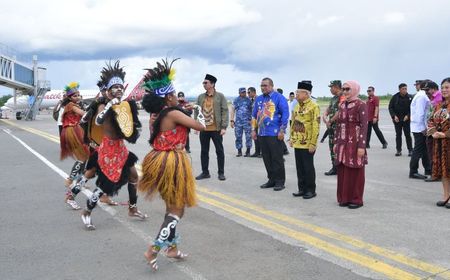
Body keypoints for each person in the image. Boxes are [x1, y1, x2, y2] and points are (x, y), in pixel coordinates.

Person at [138, 58, 206, 271]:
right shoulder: (173, 112)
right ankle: (154, 249)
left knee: (173, 207)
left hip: (160, 159)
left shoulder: (159, 113)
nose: (178, 97)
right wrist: (196, 110)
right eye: (175, 94)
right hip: (171, 161)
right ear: (168, 97)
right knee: (177, 209)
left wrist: (183, 108)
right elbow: (201, 126)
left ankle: (173, 249)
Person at [69, 61, 145, 229]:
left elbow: (129, 128)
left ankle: (132, 208)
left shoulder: (123, 105)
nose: (119, 89)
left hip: (121, 149)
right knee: (103, 184)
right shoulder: (102, 104)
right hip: (107, 149)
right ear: (109, 90)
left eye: (121, 86)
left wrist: (135, 128)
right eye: (115, 87)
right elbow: (97, 120)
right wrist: (110, 105)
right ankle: (86, 212)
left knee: (133, 176)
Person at [334, 81, 368, 209]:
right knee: (343, 171)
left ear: (354, 90)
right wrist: (336, 142)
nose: (345, 91)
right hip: (343, 143)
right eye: (343, 89)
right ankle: (344, 198)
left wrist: (362, 146)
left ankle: (356, 199)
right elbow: (339, 125)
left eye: (348, 89)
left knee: (355, 171)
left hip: (355, 143)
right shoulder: (342, 105)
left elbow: (365, 126)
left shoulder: (361, 105)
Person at [252, 77, 289, 191]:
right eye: (261, 86)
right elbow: (254, 116)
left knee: (277, 158)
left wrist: (282, 130)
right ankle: (271, 179)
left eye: (265, 85)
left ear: (271, 86)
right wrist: (253, 130)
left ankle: (279, 181)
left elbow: (285, 115)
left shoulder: (279, 98)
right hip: (262, 133)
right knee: (266, 158)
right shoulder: (258, 99)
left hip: (275, 133)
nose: (263, 88)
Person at [59, 82, 90, 210]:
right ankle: (71, 179)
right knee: (82, 157)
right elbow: (83, 114)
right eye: (75, 95)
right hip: (73, 131)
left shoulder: (73, 104)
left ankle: (77, 180)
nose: (78, 97)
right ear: (70, 97)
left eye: (79, 95)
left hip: (76, 129)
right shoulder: (71, 105)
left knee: (85, 157)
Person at [195, 74, 228, 181]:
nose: (204, 84)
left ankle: (221, 173)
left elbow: (224, 111)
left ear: (212, 84)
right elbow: (197, 111)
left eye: (206, 83)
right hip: (204, 129)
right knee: (204, 151)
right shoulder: (200, 97)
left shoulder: (220, 96)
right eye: (203, 83)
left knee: (219, 151)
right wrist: (196, 125)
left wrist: (224, 127)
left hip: (216, 129)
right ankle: (205, 172)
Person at [290, 82, 320, 199]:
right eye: (296, 92)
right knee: (299, 167)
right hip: (297, 142)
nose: (296, 94)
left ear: (306, 94)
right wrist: (292, 138)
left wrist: (313, 143)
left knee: (308, 167)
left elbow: (316, 126)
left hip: (308, 143)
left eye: (298, 92)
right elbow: (293, 123)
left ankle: (311, 190)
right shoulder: (296, 106)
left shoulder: (314, 106)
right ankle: (301, 189)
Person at [427, 78, 450, 207]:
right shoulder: (438, 105)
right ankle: (446, 195)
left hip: (448, 141)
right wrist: (433, 131)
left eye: (447, 87)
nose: (444, 90)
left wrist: (445, 134)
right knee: (444, 171)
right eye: (443, 87)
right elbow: (430, 120)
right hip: (440, 144)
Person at [409, 80, 432, 179]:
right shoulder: (422, 97)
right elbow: (420, 113)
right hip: (419, 128)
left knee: (425, 149)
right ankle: (413, 171)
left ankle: (428, 169)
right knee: (418, 150)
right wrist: (423, 128)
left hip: (419, 126)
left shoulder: (421, 95)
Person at [322, 80, 343, 175]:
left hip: (339, 127)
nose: (330, 89)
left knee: (339, 147)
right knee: (332, 147)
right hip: (331, 127)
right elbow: (329, 108)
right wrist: (324, 115)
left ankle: (340, 168)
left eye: (331, 87)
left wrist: (330, 121)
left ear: (336, 87)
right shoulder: (334, 98)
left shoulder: (342, 97)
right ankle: (334, 168)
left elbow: (340, 112)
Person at [388, 83, 413, 156]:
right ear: (399, 89)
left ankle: (410, 150)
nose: (405, 90)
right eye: (403, 89)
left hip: (406, 119)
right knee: (398, 135)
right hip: (397, 120)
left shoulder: (410, 97)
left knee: (407, 135)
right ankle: (398, 150)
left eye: (406, 89)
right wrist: (394, 116)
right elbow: (390, 107)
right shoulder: (395, 97)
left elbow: (412, 108)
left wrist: (408, 116)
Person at [230, 87, 252, 157]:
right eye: (242, 92)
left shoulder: (249, 100)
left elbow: (252, 110)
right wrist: (232, 120)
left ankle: (248, 151)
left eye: (245, 92)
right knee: (238, 136)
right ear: (239, 93)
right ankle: (239, 151)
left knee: (248, 136)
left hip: (247, 122)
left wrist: (251, 120)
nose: (244, 93)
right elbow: (233, 110)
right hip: (238, 122)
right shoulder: (236, 100)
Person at [248, 87, 261, 157]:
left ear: (253, 92)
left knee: (260, 137)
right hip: (254, 121)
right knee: (255, 136)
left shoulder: (258, 99)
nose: (248, 94)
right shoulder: (251, 100)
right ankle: (257, 152)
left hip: (259, 121)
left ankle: (262, 152)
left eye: (249, 92)